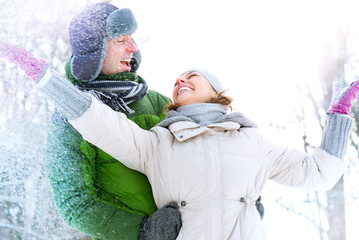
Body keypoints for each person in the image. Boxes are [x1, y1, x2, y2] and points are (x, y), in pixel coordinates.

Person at [33, 60, 356, 239]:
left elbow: (319, 173)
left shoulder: (252, 140)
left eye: (192, 76)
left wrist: (340, 117)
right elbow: (99, 122)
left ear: (216, 91)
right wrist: (47, 79)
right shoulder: (158, 143)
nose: (180, 80)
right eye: (176, 80)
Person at [0, 3, 182, 240]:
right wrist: (144, 230)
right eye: (120, 41)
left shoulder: (158, 102)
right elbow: (74, 203)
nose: (133, 48)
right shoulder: (69, 117)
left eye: (132, 39)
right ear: (94, 51)